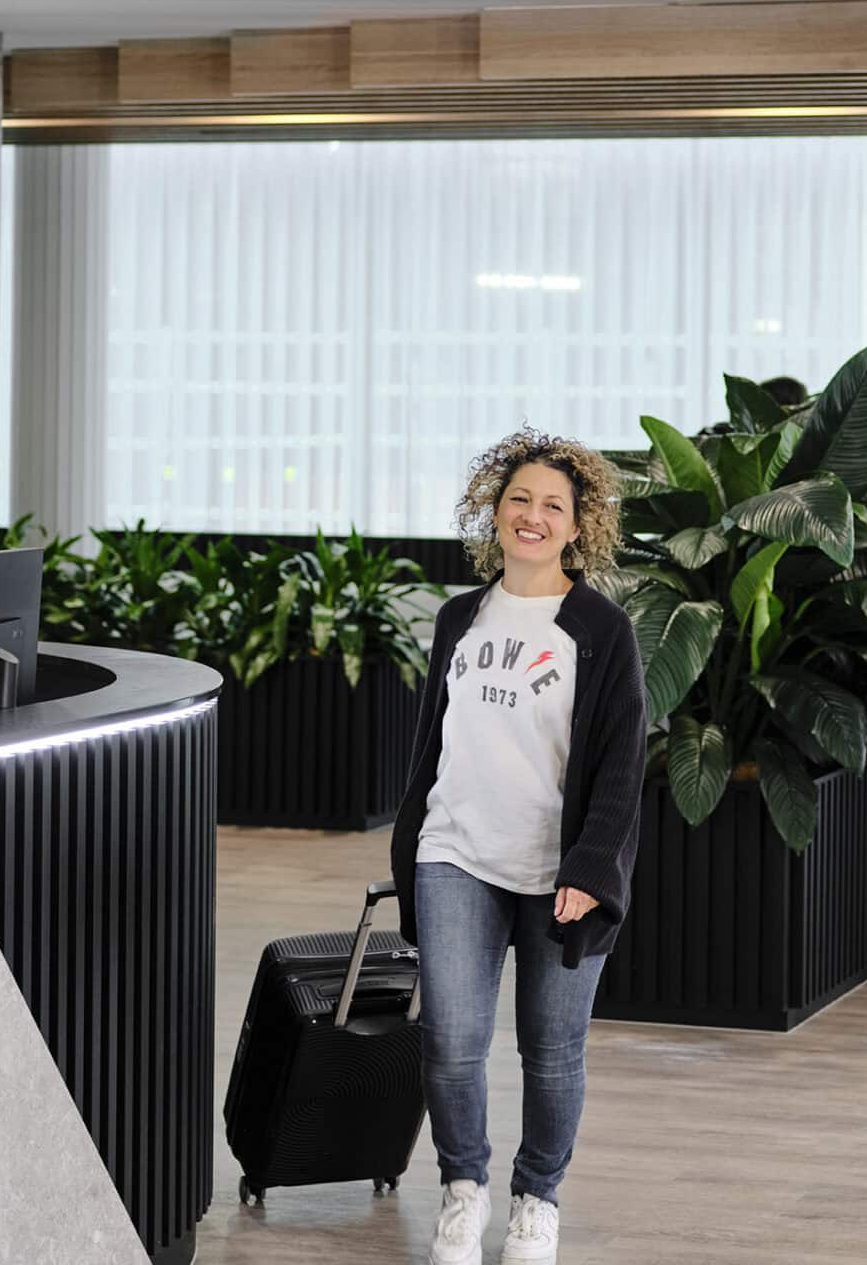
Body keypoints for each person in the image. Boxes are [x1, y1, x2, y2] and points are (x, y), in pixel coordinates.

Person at [389, 429, 646, 1265]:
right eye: (519, 501)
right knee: (452, 1044)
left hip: (557, 872)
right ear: (493, 512)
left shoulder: (602, 630)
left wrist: (590, 868)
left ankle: (537, 1200)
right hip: (456, 853)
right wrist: (412, 845)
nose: (532, 517)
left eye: (552, 507)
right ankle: (463, 1191)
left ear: (578, 526)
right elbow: (435, 742)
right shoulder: (461, 617)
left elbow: (620, 763)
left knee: (552, 1050)